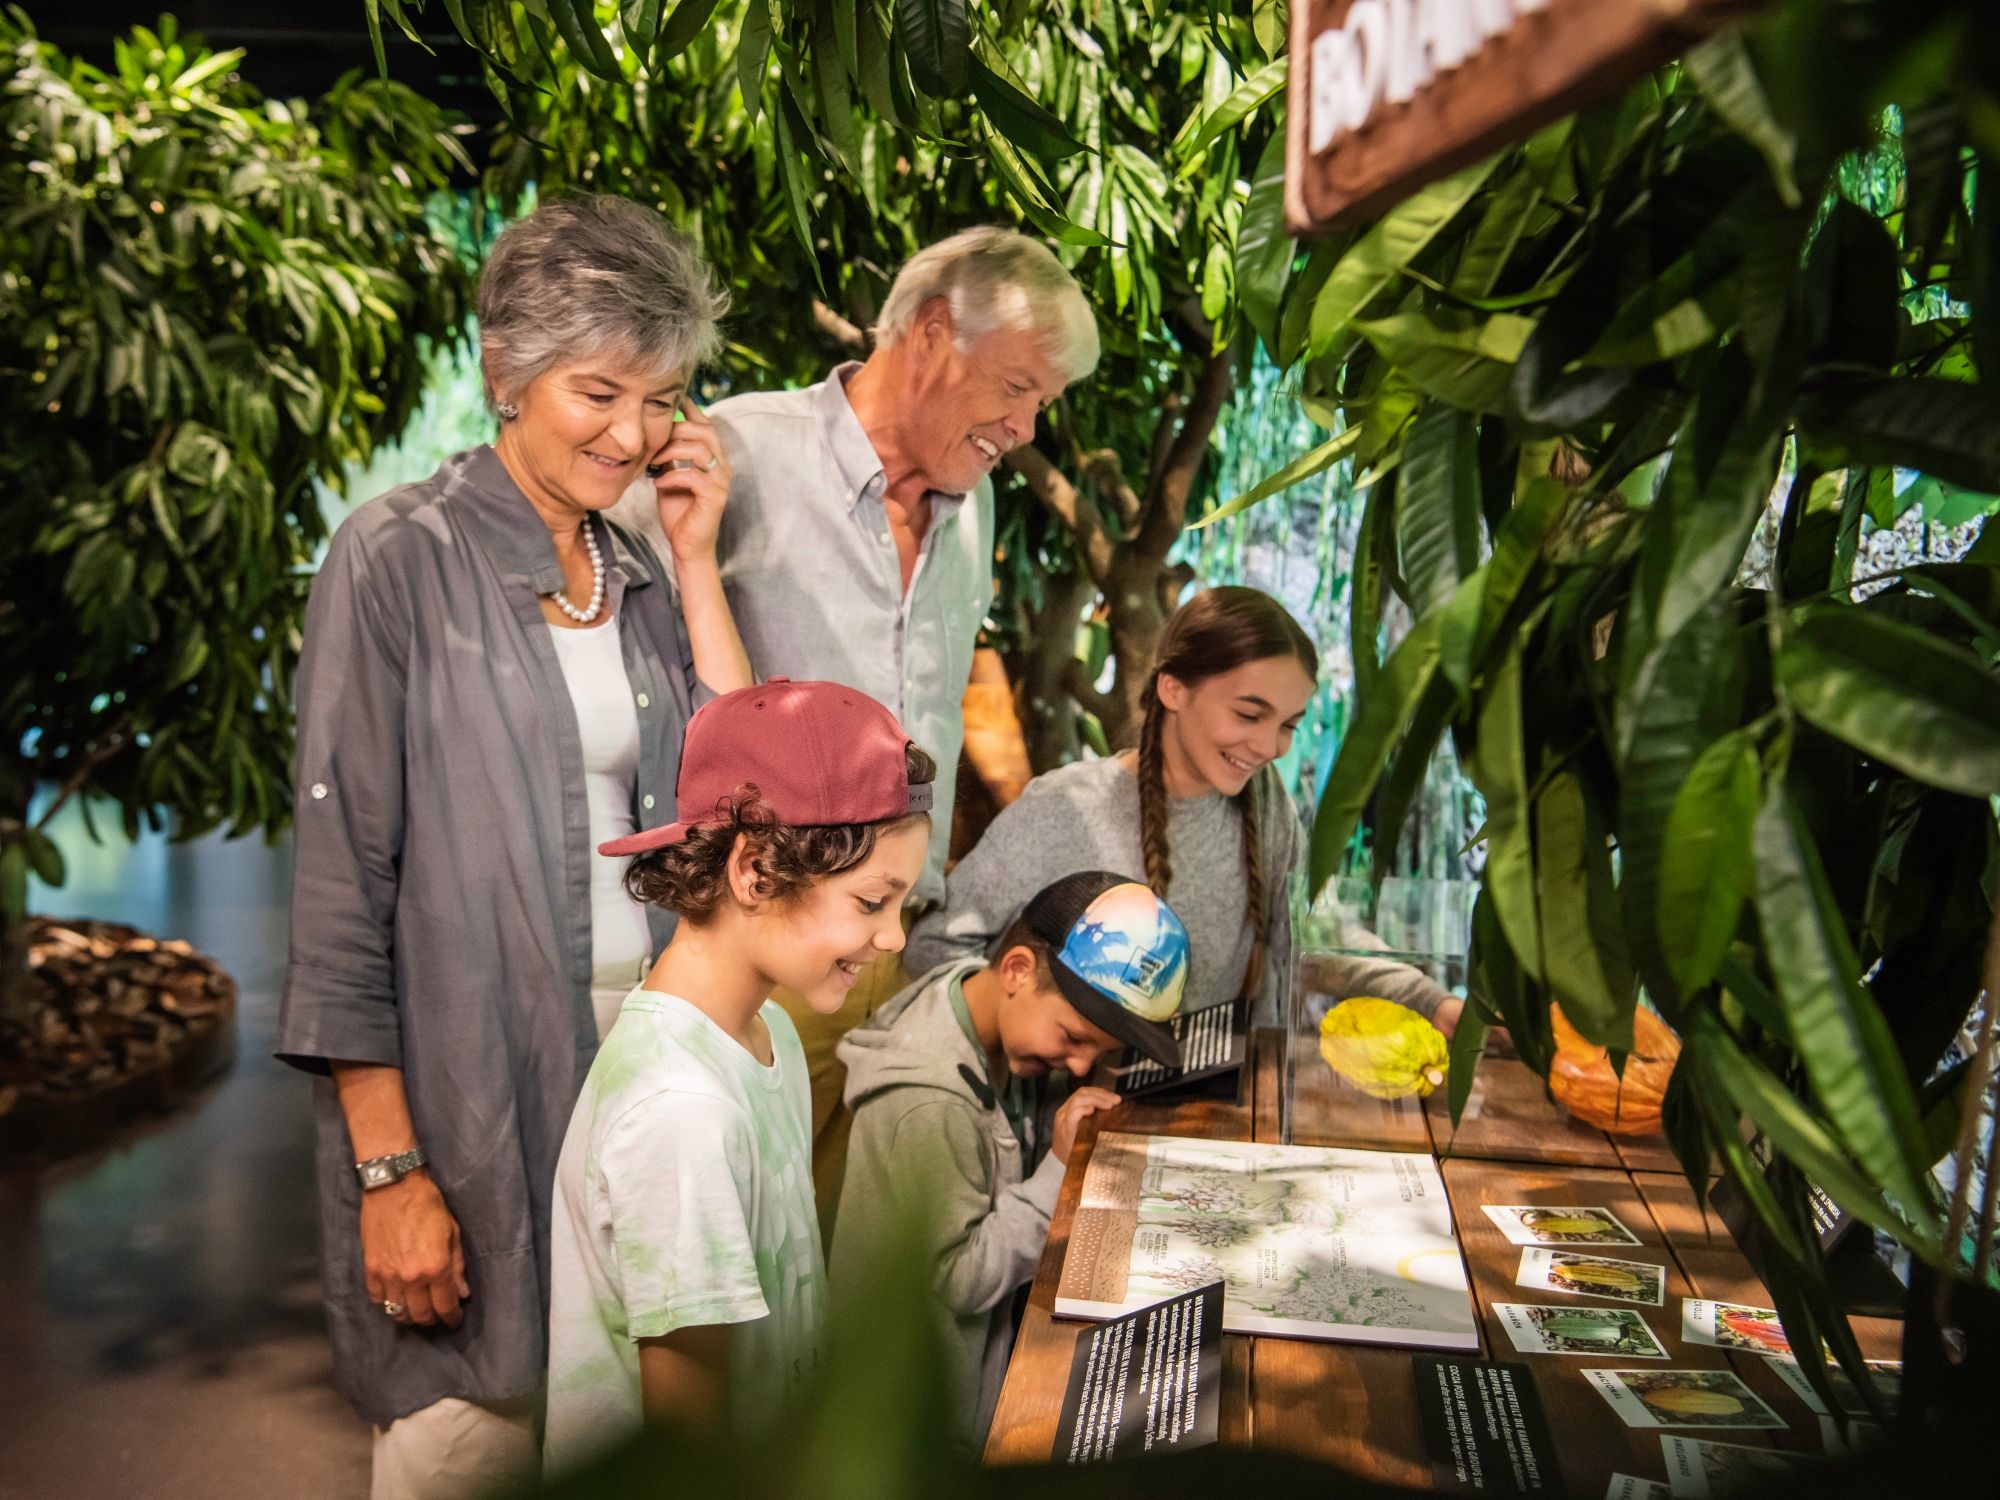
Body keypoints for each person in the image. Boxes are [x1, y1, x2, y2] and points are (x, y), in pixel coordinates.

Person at [276, 195, 751, 1500]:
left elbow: (740, 814)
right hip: (476, 1086)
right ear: (507, 370)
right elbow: (338, 896)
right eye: (599, 391)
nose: (632, 432)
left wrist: (700, 563)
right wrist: (390, 1174)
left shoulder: (642, 576)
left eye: (661, 399)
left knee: (626, 1447)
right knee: (464, 1441)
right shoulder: (393, 560)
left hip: (645, 1090)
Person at [614, 225, 1100, 1215]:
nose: (1027, 426)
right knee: (726, 1255)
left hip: (899, 948)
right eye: (1016, 387)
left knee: (841, 1274)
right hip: (767, 949)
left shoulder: (975, 509)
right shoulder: (735, 454)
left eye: (1042, 403)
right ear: (928, 334)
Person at [542, 680, 936, 1474]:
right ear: (755, 871)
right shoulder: (682, 1113)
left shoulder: (769, 1036)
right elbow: (686, 1445)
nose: (893, 937)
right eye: (870, 901)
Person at [830, 871, 1190, 1445]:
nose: (1078, 1067)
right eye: (1072, 1038)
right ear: (1017, 971)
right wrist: (1056, 1170)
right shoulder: (928, 1106)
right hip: (919, 1420)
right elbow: (958, 1280)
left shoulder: (980, 1000)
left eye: (1100, 1051)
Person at [907, 587, 1317, 1027]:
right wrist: (1045, 1026)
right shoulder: (1064, 807)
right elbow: (932, 950)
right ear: (1174, 689)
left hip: (1213, 1092)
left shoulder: (1267, 803)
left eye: (1289, 725)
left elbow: (1304, 947)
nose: (1270, 746)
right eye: (1249, 716)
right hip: (1083, 1095)